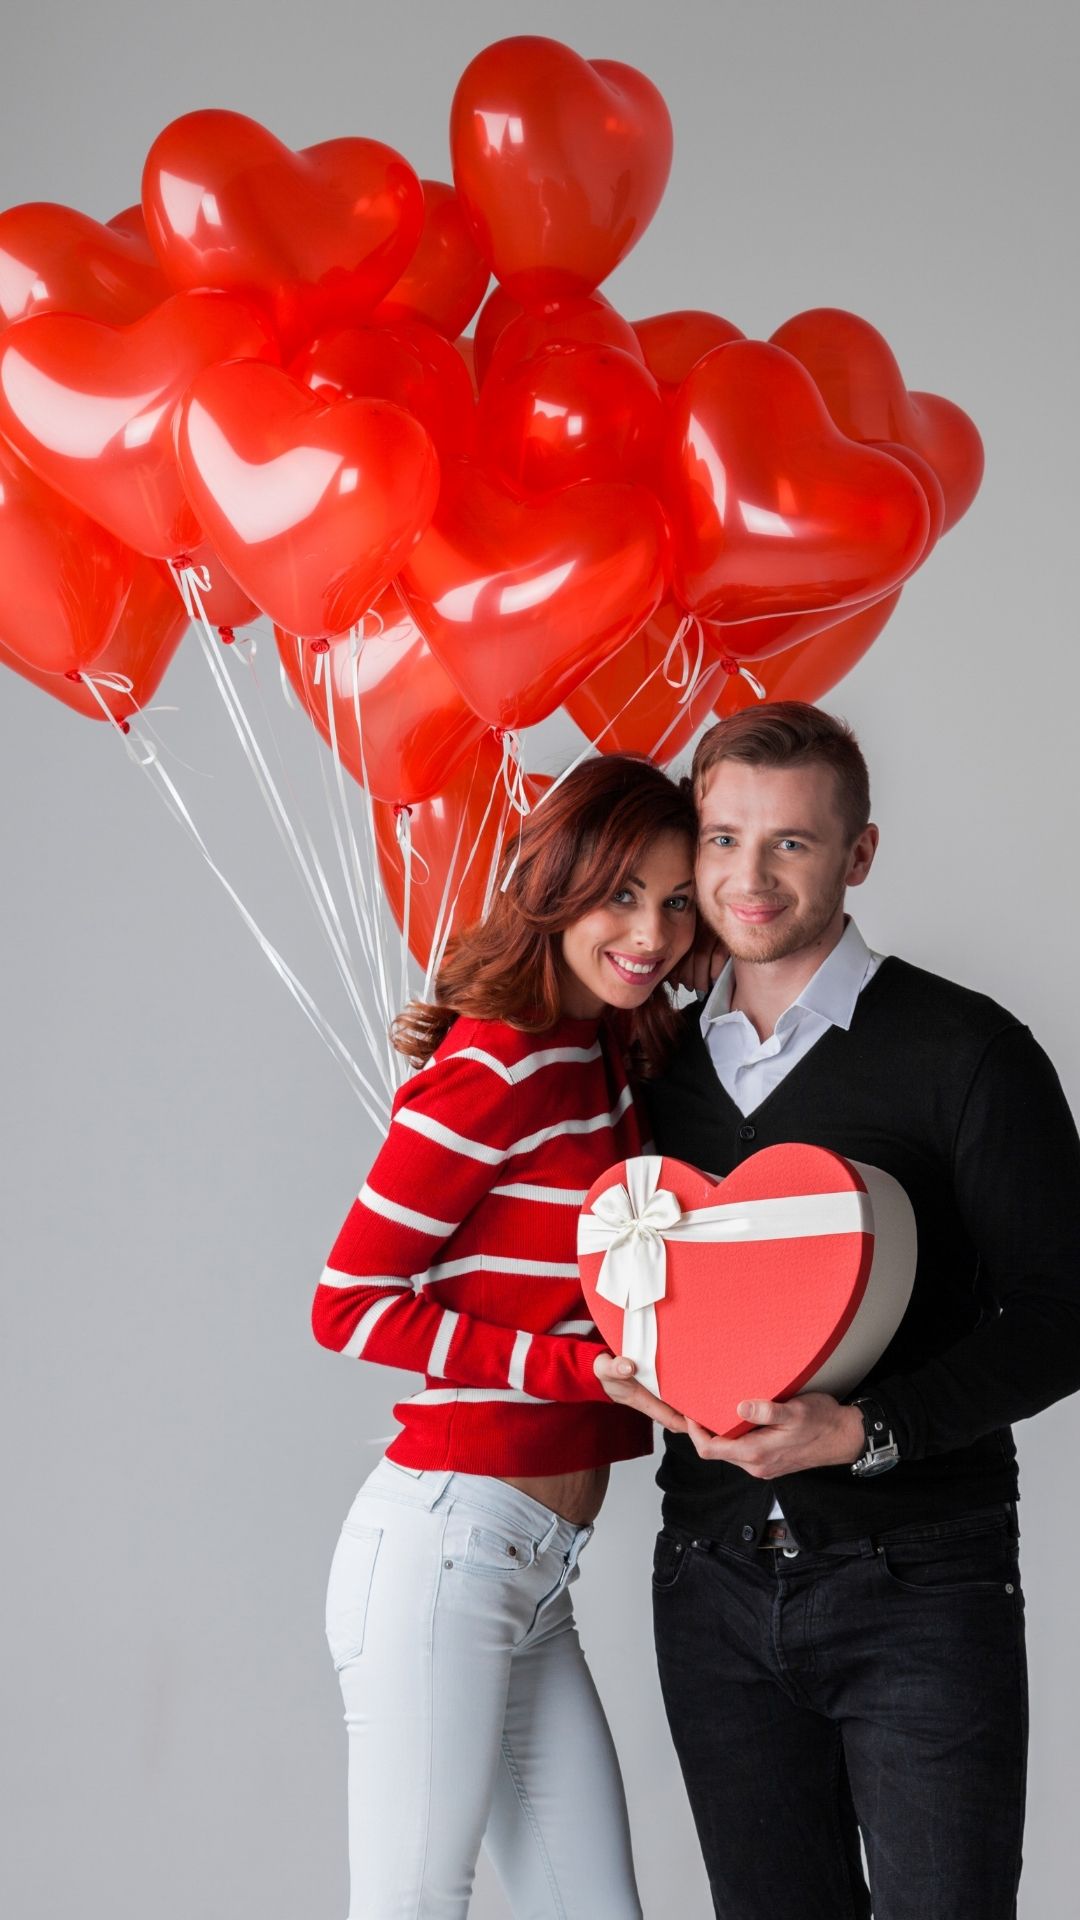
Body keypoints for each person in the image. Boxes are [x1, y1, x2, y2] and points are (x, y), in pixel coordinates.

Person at [595, 701, 1080, 1920]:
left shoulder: (967, 1051)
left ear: (859, 854)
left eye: (792, 845)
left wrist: (865, 1432)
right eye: (720, 840)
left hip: (921, 1585)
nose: (745, 880)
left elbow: (1067, 1310)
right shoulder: (648, 1062)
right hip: (706, 1582)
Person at [312, 753, 698, 1920]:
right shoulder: (499, 1060)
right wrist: (582, 1371)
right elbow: (347, 1301)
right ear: (557, 884)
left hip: (535, 1574)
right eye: (620, 894)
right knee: (415, 1904)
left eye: (676, 900)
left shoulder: (608, 1051)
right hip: (445, 1549)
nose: (651, 932)